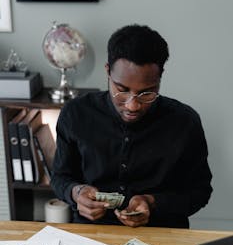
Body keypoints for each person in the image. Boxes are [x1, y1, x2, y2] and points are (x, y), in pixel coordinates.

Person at [51, 24, 212, 228]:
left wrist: (153, 203)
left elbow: (200, 192)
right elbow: (60, 177)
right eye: (122, 90)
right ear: (108, 71)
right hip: (93, 232)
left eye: (147, 93)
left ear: (160, 78)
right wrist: (76, 193)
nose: (133, 105)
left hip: (162, 230)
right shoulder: (75, 114)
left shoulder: (185, 122)